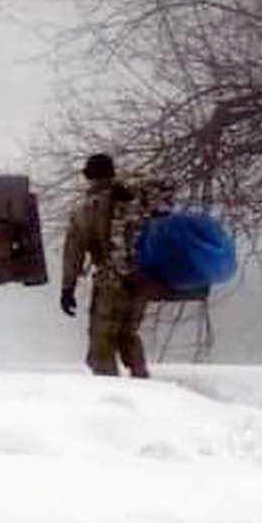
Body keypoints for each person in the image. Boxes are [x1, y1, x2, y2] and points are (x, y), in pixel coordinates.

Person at [60, 152, 151, 378]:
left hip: (111, 283)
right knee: (128, 334)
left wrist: (67, 288)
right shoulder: (136, 201)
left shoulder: (87, 209)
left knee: (102, 340)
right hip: (142, 281)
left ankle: (108, 392)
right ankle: (143, 384)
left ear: (90, 177)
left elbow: (74, 250)